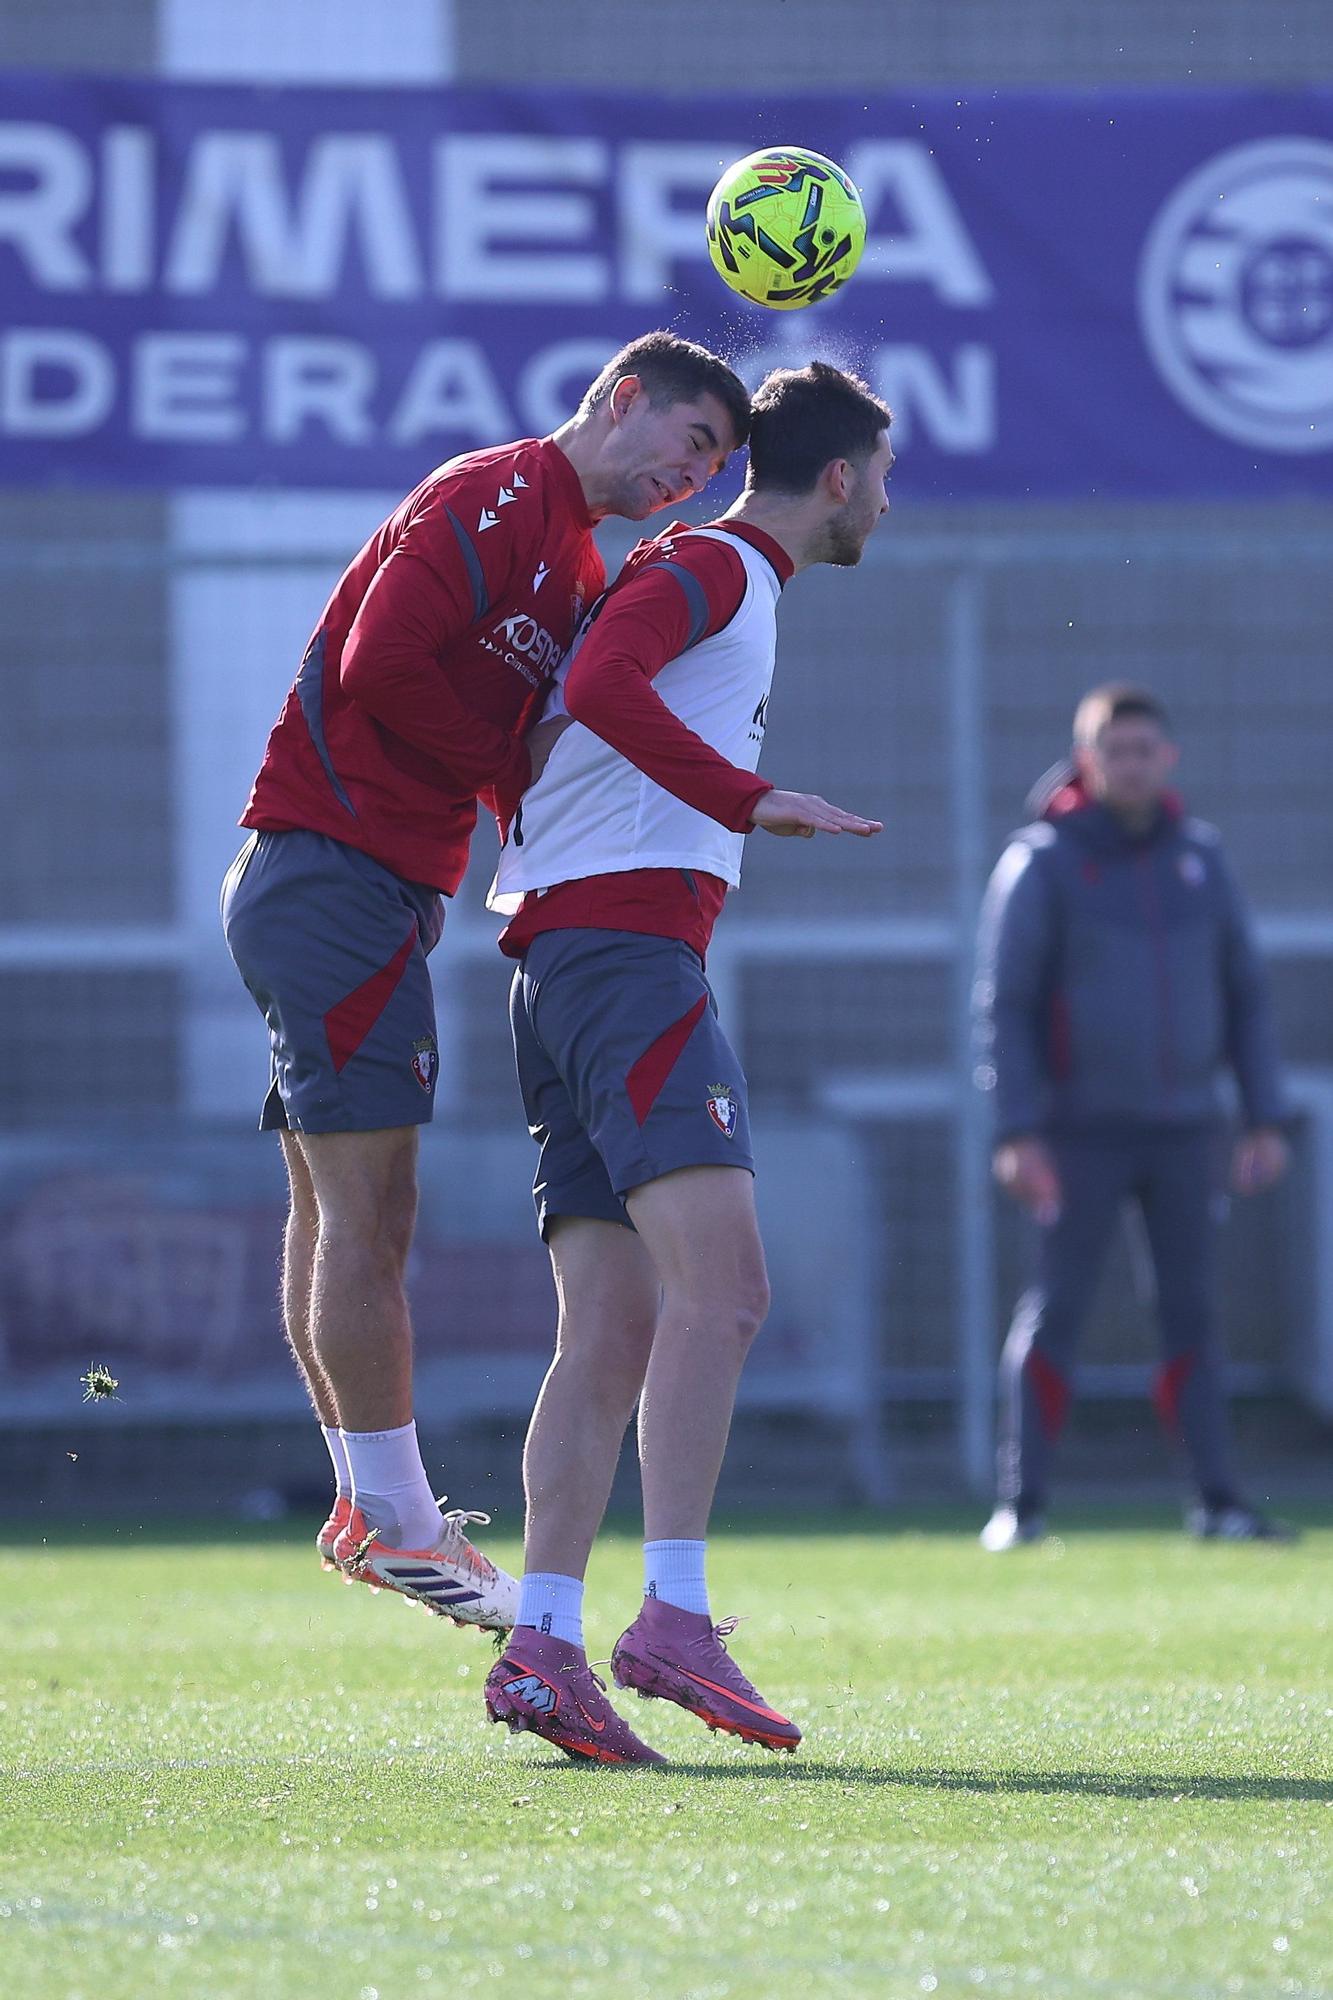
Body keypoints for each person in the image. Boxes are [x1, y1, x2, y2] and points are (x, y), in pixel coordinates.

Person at [221, 333, 751, 1628]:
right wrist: (503, 777)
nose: (692, 478)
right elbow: (378, 666)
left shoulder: (575, 558)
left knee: (334, 1204)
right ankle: (398, 1516)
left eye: (717, 469)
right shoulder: (501, 492)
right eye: (690, 443)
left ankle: (370, 1501)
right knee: (371, 1207)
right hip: (332, 869)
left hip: (365, 889)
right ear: (621, 399)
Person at [479, 360, 892, 1763]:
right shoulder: (718, 559)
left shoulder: (693, 566)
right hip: (622, 959)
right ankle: (672, 1615)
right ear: (839, 480)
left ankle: (541, 1641)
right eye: (881, 479)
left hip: (560, 964)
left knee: (610, 1333)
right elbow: (595, 680)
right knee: (726, 1295)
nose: (882, 504)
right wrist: (745, 797)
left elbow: (547, 726)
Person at [974, 684, 1293, 1551]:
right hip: (1077, 1133)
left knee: (1192, 1313)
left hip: (1188, 1128)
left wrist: (1264, 1117)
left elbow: (1244, 996)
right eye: (1115, 749)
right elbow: (1005, 1007)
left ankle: (1219, 1503)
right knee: (1058, 1309)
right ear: (1087, 761)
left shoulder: (1200, 858)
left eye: (1145, 748)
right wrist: (1018, 1132)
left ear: (1168, 757)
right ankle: (1021, 1505)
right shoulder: (1041, 863)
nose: (1131, 762)